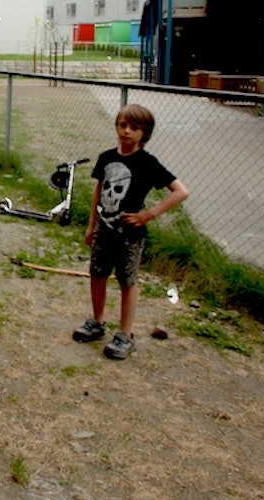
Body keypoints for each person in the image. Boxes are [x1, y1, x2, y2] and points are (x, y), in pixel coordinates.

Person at [73, 103, 190, 360]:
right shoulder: (106, 158)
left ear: (144, 133)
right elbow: (98, 191)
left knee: (127, 282)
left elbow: (181, 191)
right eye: (122, 125)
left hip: (129, 237)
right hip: (103, 231)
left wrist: (148, 215)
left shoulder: (148, 163)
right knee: (97, 275)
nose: (126, 131)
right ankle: (97, 322)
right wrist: (92, 225)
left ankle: (125, 335)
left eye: (134, 128)